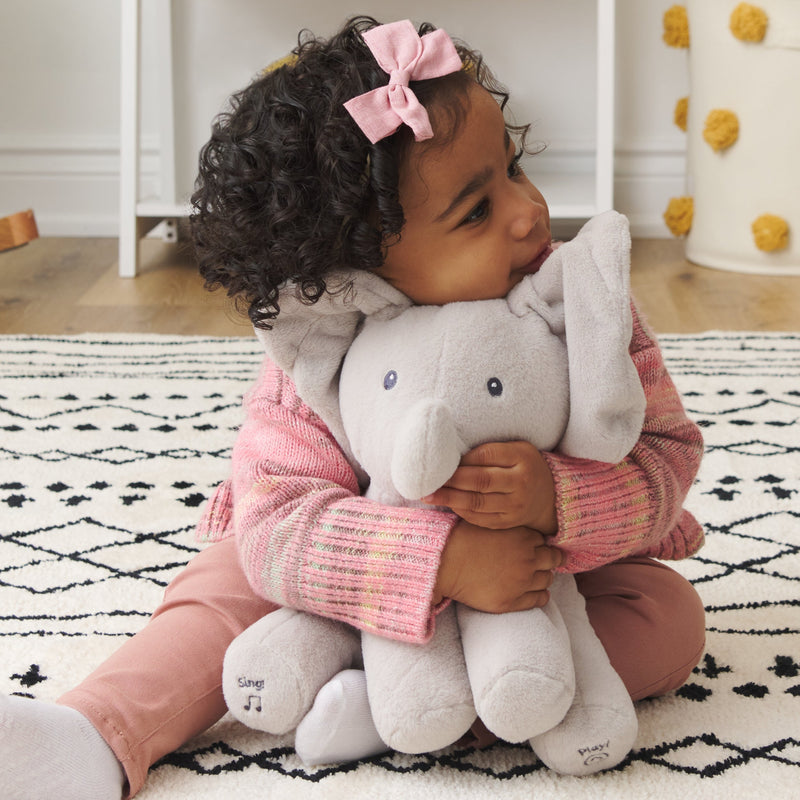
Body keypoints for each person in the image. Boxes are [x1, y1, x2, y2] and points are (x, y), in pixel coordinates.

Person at [0, 16, 706, 800]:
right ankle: (96, 732)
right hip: (349, 572)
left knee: (667, 615)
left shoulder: (579, 301)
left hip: (538, 584)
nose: (528, 213)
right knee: (228, 579)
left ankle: (401, 707)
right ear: (356, 268)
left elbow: (667, 454)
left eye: (512, 168)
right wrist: (444, 562)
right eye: (475, 211)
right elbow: (279, 524)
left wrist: (556, 501)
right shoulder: (319, 349)